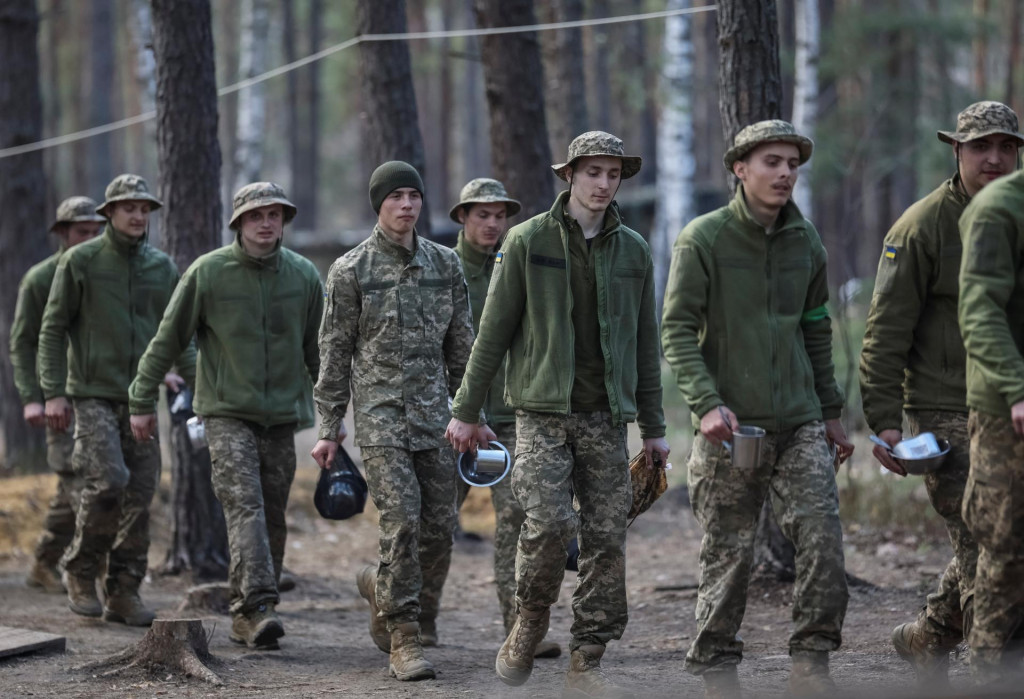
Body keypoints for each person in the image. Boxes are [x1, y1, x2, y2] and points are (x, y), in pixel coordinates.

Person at [446, 131, 669, 698]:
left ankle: (587, 660)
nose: (603, 183)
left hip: (604, 419)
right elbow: (492, 332)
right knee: (544, 526)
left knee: (606, 540)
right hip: (541, 416)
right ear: (569, 175)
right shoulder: (525, 241)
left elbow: (646, 344)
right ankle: (529, 618)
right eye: (592, 171)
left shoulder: (635, 250)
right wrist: (466, 411)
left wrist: (655, 428)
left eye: (613, 173)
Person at [661, 120, 852, 697]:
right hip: (730, 429)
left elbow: (817, 330)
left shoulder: (806, 242)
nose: (785, 173)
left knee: (822, 537)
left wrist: (832, 412)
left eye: (792, 163)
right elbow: (674, 331)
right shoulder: (704, 238)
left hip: (798, 423)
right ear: (741, 169)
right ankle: (716, 668)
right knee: (730, 552)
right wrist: (708, 404)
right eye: (772, 161)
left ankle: (812, 663)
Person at [860, 101, 1022, 686]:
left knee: (1008, 541)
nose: (996, 159)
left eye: (1007, 147)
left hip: (1013, 408)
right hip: (948, 410)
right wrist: (885, 423)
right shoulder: (922, 226)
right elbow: (885, 331)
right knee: (988, 549)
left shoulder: (1019, 215)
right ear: (956, 151)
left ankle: (929, 635)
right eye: (982, 147)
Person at [128, 182, 323, 650]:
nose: (266, 222)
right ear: (238, 223)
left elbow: (319, 352)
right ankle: (257, 607)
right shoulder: (208, 273)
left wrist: (333, 416)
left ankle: (250, 607)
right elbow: (168, 339)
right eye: (256, 215)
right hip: (225, 413)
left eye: (275, 214)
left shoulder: (303, 276)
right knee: (245, 506)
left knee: (272, 512)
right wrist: (140, 399)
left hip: (281, 418)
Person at [312, 161, 476, 682]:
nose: (406, 205)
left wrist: (473, 414)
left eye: (413, 195)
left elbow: (463, 350)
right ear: (378, 204)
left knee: (438, 529)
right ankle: (404, 638)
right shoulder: (351, 270)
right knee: (401, 519)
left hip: (437, 421)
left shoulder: (445, 265)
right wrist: (328, 426)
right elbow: (334, 353)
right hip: (381, 421)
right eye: (395, 197)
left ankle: (375, 585)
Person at [36, 174, 194, 626]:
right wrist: (53, 393)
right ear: (109, 213)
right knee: (107, 481)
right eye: (129, 207)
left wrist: (196, 385)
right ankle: (80, 570)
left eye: (144, 208)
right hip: (91, 395)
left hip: (143, 399)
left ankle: (124, 591)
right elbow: (51, 330)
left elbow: (178, 333)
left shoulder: (162, 267)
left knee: (140, 495)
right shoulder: (81, 261)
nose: (138, 215)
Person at [449, 178, 562, 660]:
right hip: (452, 420)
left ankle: (519, 631)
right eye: (482, 214)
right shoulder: (442, 268)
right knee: (431, 526)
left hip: (510, 417)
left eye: (500, 215)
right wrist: (456, 410)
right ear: (462, 217)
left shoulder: (518, 263)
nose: (492, 223)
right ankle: (409, 623)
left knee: (515, 523)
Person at [10, 196, 104, 593]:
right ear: (62, 233)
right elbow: (23, 342)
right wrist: (34, 396)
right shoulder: (39, 279)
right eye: (82, 232)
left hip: (99, 395)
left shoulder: (105, 271)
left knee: (81, 483)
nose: (90, 239)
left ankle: (45, 561)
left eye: (96, 231)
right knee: (79, 481)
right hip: (58, 400)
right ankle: (92, 570)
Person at [958, 166, 1024, 685]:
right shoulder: (1000, 208)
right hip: (1008, 406)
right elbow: (978, 310)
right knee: (1004, 543)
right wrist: (1017, 389)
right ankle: (985, 679)